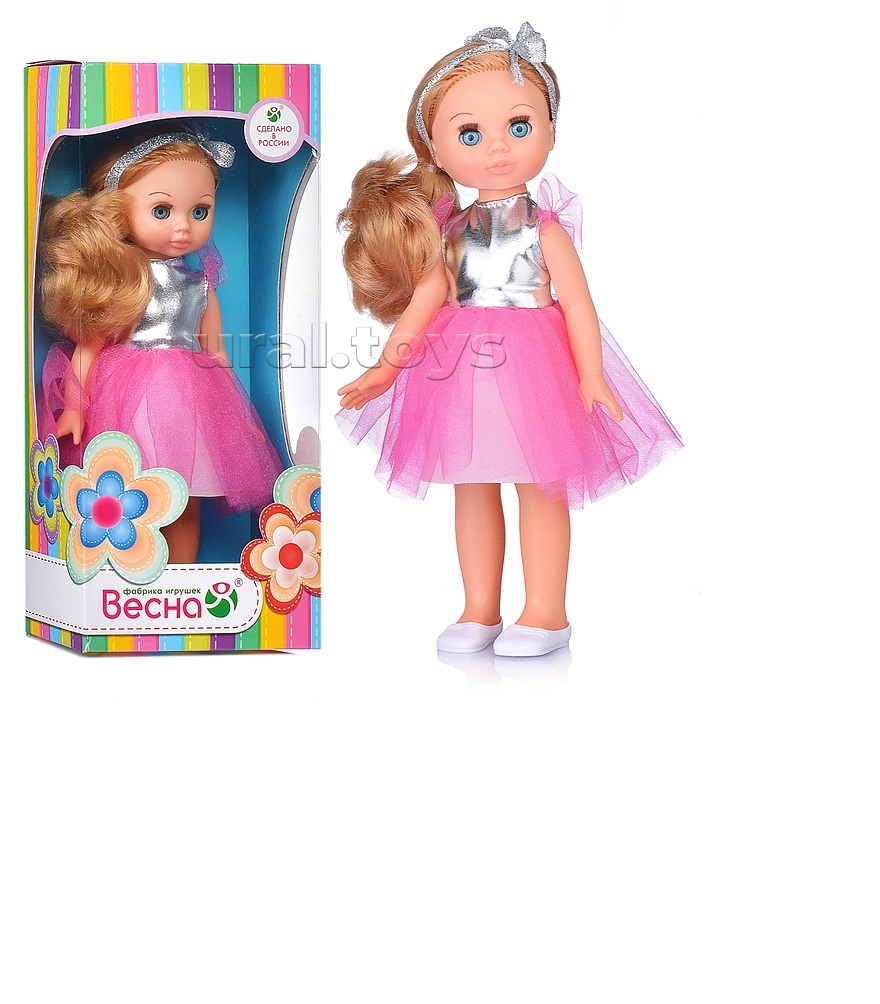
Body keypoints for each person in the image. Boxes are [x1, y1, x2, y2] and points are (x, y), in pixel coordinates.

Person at [336, 24, 683, 657]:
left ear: (549, 129)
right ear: (437, 149)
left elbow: (578, 304)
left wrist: (592, 375)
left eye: (518, 126)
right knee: (471, 484)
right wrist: (385, 368)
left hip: (535, 366)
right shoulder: (450, 232)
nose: (497, 148)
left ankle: (546, 611)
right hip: (462, 370)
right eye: (471, 134)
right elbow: (423, 305)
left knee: (541, 483)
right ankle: (480, 607)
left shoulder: (544, 228)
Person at [38, 130, 283, 563]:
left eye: (200, 210)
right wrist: (74, 406)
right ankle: (125, 573)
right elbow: (88, 348)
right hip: (125, 398)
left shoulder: (200, 282)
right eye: (162, 210)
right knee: (125, 490)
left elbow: (215, 352)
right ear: (117, 210)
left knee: (185, 496)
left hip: (192, 401)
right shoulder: (121, 278)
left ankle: (181, 575)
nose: (183, 226)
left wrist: (236, 419)